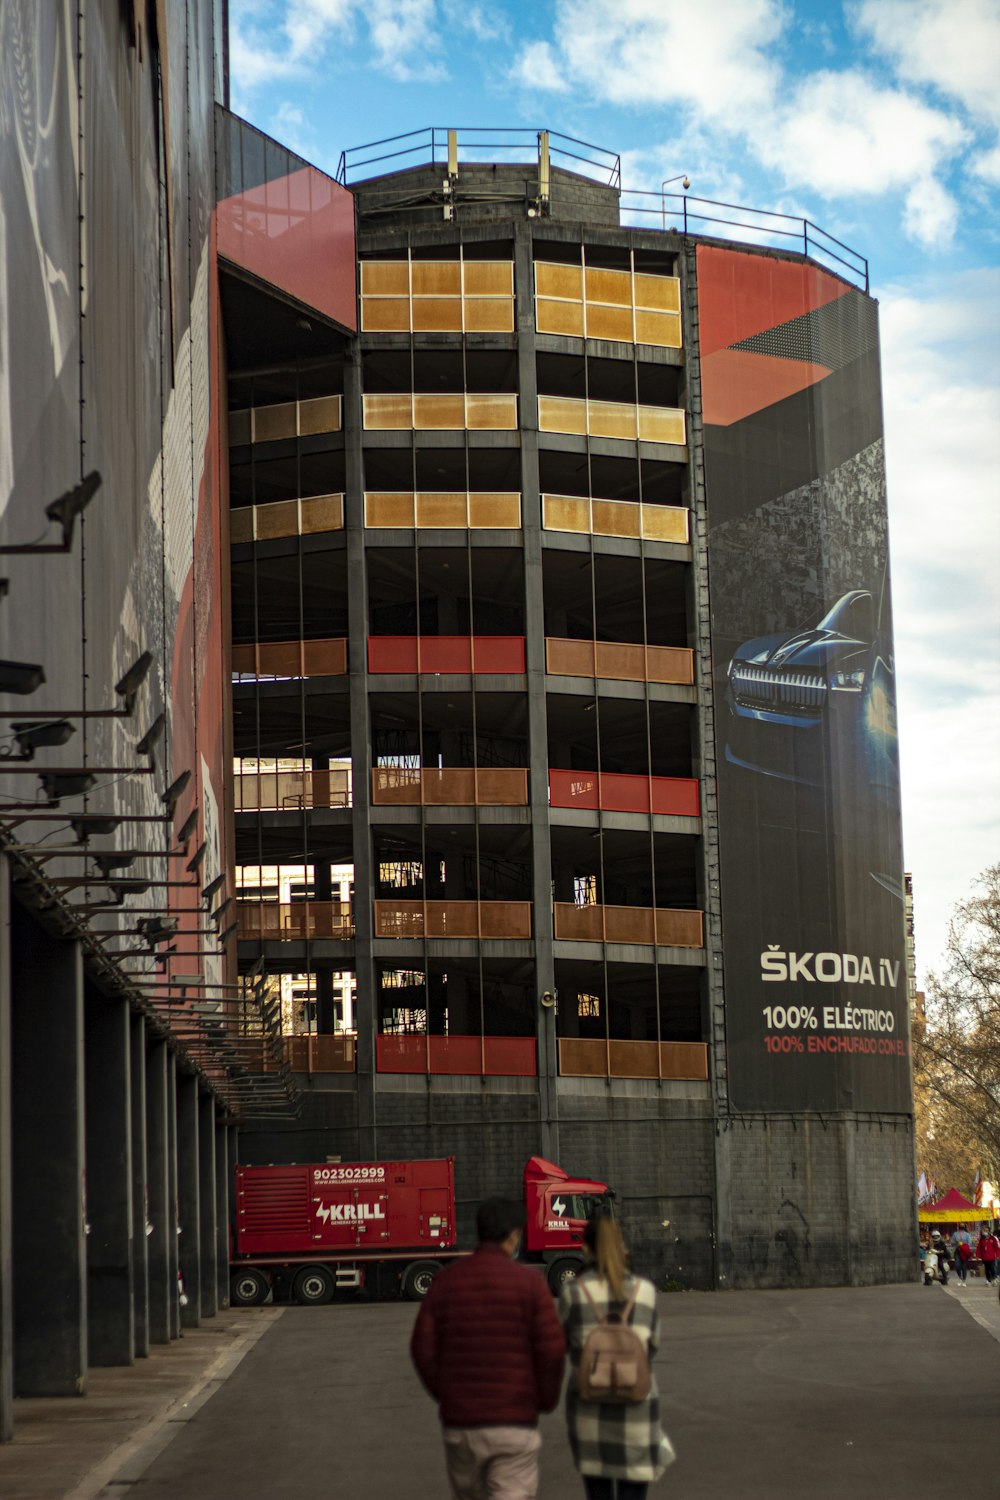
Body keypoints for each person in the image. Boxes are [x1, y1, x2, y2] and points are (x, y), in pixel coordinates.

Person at [410, 1196, 565, 1500]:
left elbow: (422, 1347)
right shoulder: (530, 1284)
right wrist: (543, 1400)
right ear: (513, 1236)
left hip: (461, 1426)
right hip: (514, 1423)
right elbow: (552, 1350)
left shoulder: (446, 1281)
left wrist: (447, 1393)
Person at [558, 1215, 675, 1500]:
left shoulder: (573, 1292)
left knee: (597, 1493)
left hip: (588, 1411)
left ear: (585, 1249)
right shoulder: (644, 1291)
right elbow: (652, 1346)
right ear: (622, 1246)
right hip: (637, 1411)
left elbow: (563, 1344)